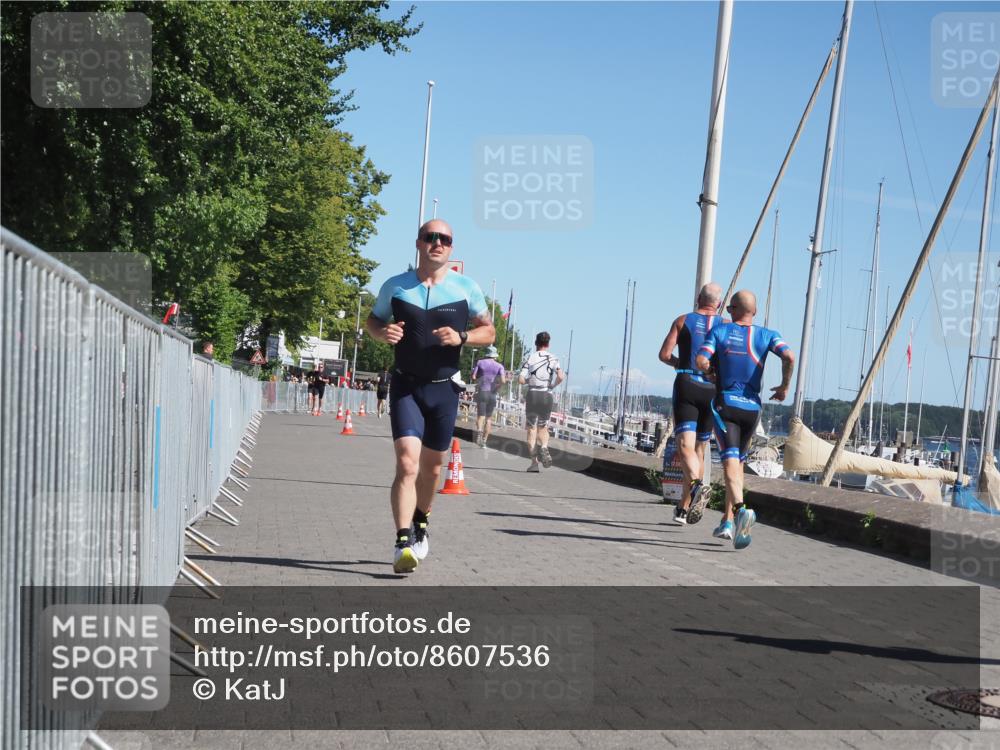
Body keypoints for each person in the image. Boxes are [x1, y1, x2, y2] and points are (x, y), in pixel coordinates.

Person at [366, 219, 495, 573]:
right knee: (407, 464)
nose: (437, 243)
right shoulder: (396, 286)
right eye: (430, 237)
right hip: (407, 384)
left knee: (432, 468)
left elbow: (489, 330)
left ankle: (422, 522)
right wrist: (383, 332)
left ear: (452, 248)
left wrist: (463, 338)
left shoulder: (467, 288)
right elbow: (372, 322)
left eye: (445, 239)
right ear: (419, 243)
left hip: (445, 389)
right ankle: (402, 541)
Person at [695, 290, 794, 549]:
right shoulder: (768, 334)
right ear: (755, 312)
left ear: (733, 309)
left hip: (725, 403)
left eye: (728, 307)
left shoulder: (720, 332)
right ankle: (727, 522)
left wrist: (710, 373)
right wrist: (784, 387)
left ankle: (740, 511)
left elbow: (701, 359)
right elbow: (788, 356)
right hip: (752, 409)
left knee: (728, 464)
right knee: (737, 467)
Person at [657, 282, 724, 525]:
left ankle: (696, 487)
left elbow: (664, 355)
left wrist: (678, 363)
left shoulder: (682, 320)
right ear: (718, 303)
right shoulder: (726, 326)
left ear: (698, 299)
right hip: (712, 388)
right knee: (699, 450)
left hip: (687, 382)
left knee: (684, 445)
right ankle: (683, 508)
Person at [518, 332, 564, 472]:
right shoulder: (554, 358)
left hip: (533, 394)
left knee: (531, 429)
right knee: (543, 427)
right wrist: (552, 385)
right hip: (546, 395)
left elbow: (520, 379)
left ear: (536, 344)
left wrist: (528, 380)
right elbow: (561, 376)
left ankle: (534, 464)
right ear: (548, 344)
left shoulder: (530, 358)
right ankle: (544, 447)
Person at [471, 345, 506, 447]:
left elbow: (473, 376)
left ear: (486, 354)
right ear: (495, 356)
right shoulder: (500, 366)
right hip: (492, 394)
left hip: (482, 392)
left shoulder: (480, 362)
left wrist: (479, 380)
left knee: (480, 416)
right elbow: (503, 381)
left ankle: (479, 432)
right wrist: (497, 385)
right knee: (489, 418)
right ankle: (485, 441)